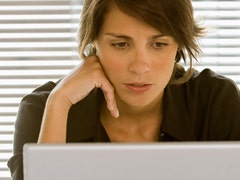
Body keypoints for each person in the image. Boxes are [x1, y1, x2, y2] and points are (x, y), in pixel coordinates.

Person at [8, 0, 240, 179]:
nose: (140, 67)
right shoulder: (43, 108)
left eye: (159, 44)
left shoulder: (216, 101)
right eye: (120, 44)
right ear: (93, 43)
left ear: (179, 46)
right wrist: (59, 103)